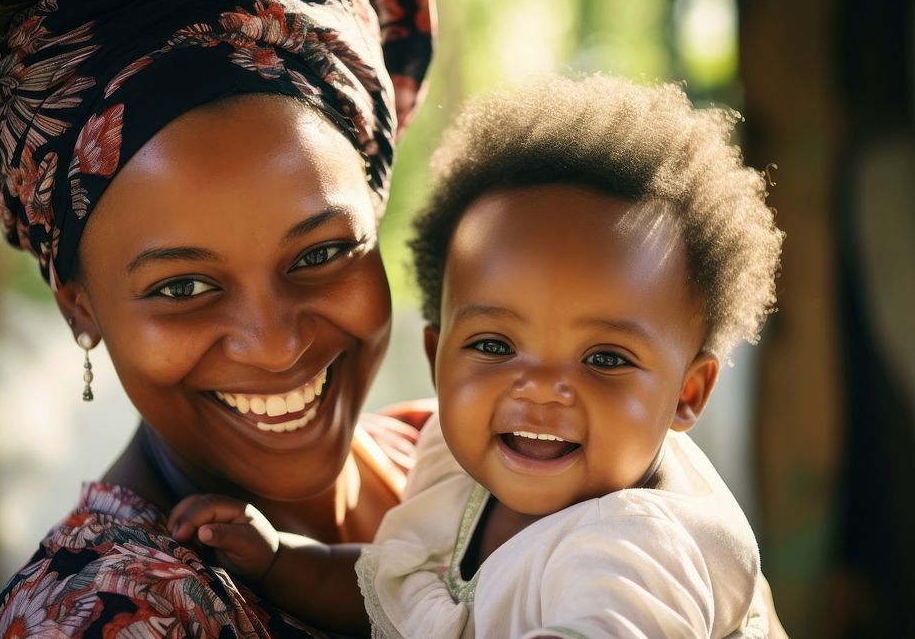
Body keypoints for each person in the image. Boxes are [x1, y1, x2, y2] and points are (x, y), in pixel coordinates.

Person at [168, 74, 785, 638]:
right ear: (439, 357)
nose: (541, 389)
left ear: (688, 392)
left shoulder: (637, 552)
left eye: (603, 358)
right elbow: (397, 593)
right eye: (495, 346)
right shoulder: (457, 463)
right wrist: (282, 560)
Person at [0, 0, 432, 636]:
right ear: (81, 308)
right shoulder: (115, 616)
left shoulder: (469, 456)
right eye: (183, 287)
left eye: (318, 254)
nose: (275, 342)